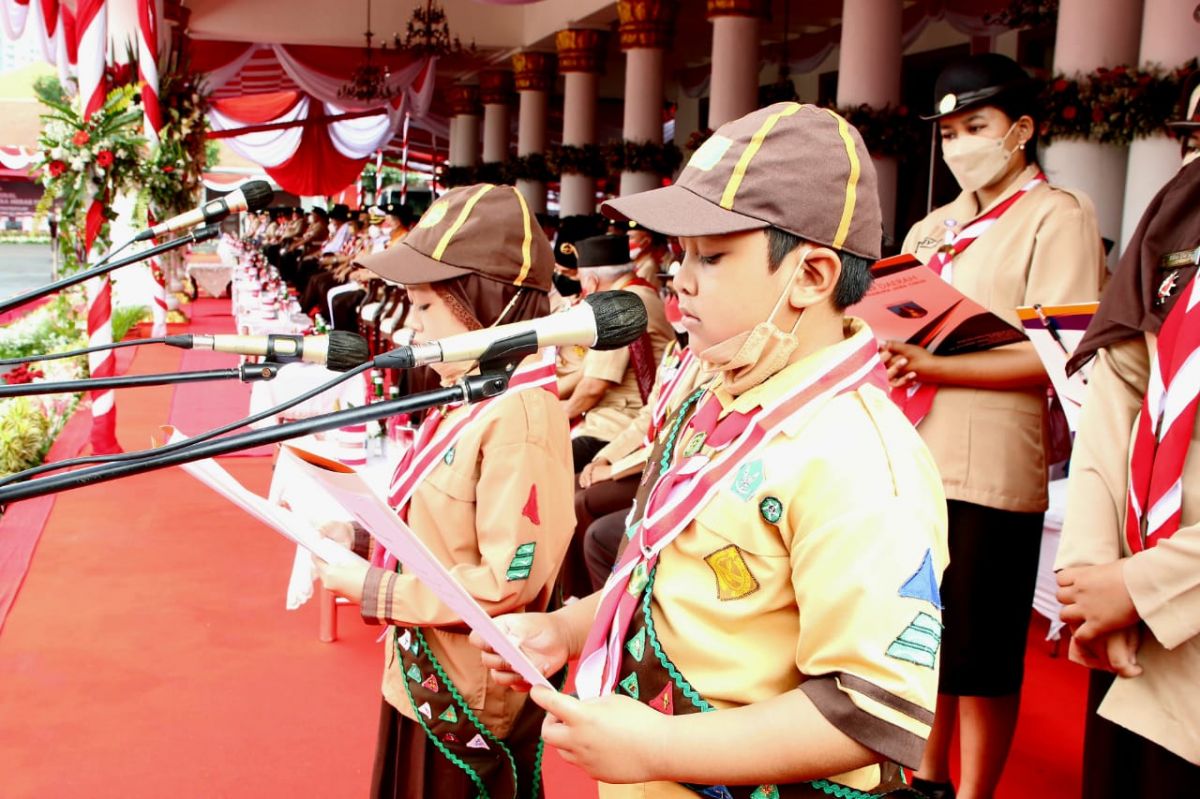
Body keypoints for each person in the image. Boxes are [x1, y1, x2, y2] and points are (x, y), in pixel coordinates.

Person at [473, 102, 949, 797]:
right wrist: (567, 627)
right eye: (680, 256)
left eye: (714, 256)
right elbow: (660, 571)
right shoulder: (716, 397)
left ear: (812, 276)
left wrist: (660, 743)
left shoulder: (861, 457)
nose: (681, 282)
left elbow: (869, 711)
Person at [881, 54, 1108, 799]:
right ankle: (927, 776)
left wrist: (937, 364)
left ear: (1022, 130)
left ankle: (974, 792)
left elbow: (1059, 355)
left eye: (975, 127)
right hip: (914, 457)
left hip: (992, 466)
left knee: (979, 656)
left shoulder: (1057, 215)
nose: (958, 146)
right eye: (947, 133)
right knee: (924, 637)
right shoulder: (931, 225)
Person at [312, 184, 576, 799]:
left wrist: (372, 587)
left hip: (467, 694)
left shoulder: (520, 415)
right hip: (421, 670)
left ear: (490, 306)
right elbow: (436, 523)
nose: (412, 326)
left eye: (427, 307)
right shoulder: (469, 395)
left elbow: (508, 582)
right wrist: (359, 535)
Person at [1054, 75, 1200, 799]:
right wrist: (1092, 585)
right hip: (1132, 634)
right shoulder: (1180, 212)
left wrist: (1141, 588)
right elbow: (1118, 391)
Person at [565, 233, 675, 473]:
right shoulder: (639, 294)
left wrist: (554, 417)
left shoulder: (618, 305)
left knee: (541, 458)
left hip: (615, 424)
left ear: (592, 281)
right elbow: (586, 375)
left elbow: (593, 388)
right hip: (620, 417)